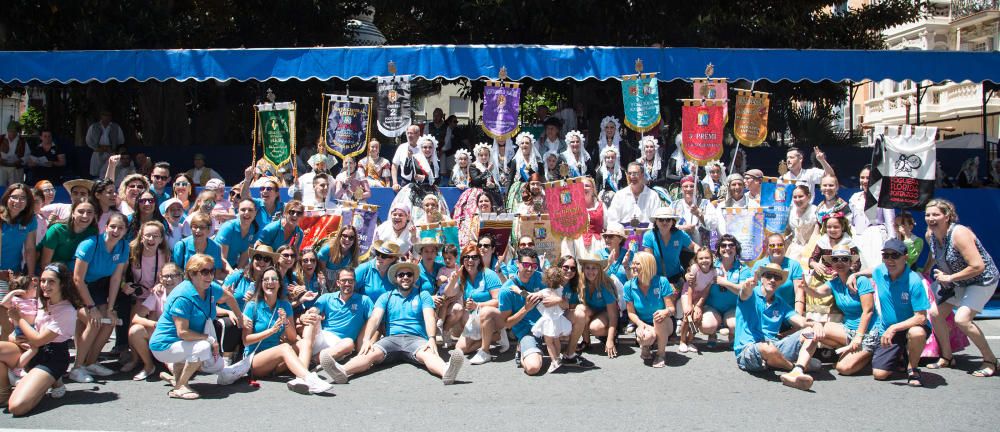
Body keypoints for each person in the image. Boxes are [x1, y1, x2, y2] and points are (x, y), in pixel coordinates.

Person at [320, 261, 465, 385]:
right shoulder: (386, 296)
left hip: (416, 339)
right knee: (369, 353)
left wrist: (432, 339)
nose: (405, 277)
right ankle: (342, 371)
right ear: (396, 279)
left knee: (428, 354)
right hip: (391, 339)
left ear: (414, 278)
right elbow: (375, 318)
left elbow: (429, 317)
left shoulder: (423, 295)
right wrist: (366, 340)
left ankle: (446, 372)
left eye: (409, 274)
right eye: (401, 275)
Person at [148, 254, 244, 400]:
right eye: (204, 272)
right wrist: (210, 339)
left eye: (212, 271)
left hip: (183, 343)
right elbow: (183, 333)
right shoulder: (183, 296)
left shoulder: (211, 288)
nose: (210, 275)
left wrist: (239, 317)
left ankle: (176, 379)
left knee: (217, 365)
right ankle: (180, 386)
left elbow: (229, 297)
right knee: (203, 347)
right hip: (163, 346)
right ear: (192, 274)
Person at [922, 199, 998, 377]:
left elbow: (978, 266)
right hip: (958, 281)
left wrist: (949, 277)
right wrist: (926, 270)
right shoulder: (930, 235)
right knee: (934, 313)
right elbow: (935, 254)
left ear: (947, 216)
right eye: (928, 215)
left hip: (981, 280)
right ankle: (947, 357)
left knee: (962, 319)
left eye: (936, 214)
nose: (931, 218)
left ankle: (990, 360)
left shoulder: (959, 233)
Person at [0, 263, 81, 415]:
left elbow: (38, 340)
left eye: (51, 281)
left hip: (52, 358)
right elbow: (30, 332)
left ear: (62, 284)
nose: (45, 285)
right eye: (43, 281)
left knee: (17, 408)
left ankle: (48, 381)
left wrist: (19, 318)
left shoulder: (67, 310)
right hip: (31, 349)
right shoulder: (42, 300)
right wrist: (14, 337)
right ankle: (4, 394)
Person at [730, 262, 822, 391]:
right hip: (748, 350)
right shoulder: (751, 294)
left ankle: (795, 370)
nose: (772, 280)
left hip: (774, 345)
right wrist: (748, 285)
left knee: (810, 333)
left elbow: (800, 321)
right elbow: (745, 292)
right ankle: (793, 366)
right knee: (768, 349)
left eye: (777, 277)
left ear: (780, 282)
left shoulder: (780, 303)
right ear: (762, 278)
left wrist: (815, 324)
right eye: (769, 276)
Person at [241, 266, 333, 394]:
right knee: (284, 348)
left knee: (304, 342)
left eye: (274, 279)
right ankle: (309, 378)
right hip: (255, 361)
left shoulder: (285, 305)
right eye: (266, 279)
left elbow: (292, 337)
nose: (270, 282)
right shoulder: (252, 306)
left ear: (279, 284)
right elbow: (246, 341)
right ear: (261, 284)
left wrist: (286, 322)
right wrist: (272, 331)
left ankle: (300, 379)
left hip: (276, 361)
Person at [69, 212, 129, 383]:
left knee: (109, 321)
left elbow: (116, 278)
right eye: (113, 226)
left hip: (98, 287)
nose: (116, 230)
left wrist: (110, 308)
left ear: (126, 230)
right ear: (106, 227)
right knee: (94, 321)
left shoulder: (124, 247)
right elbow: (77, 279)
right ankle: (77, 367)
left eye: (121, 228)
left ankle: (91, 362)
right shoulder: (89, 245)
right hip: (77, 287)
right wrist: (91, 307)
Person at [805, 246, 878, 375]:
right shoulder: (834, 282)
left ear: (850, 263)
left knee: (843, 368)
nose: (840, 262)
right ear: (831, 263)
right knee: (815, 331)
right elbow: (817, 293)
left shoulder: (861, 281)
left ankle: (869, 353)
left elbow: (868, 311)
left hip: (867, 332)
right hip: (848, 330)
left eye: (844, 259)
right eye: (835, 259)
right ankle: (802, 363)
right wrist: (805, 287)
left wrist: (858, 337)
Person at [869, 239, 930, 387]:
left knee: (917, 333)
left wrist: (894, 328)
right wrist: (854, 274)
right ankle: (901, 355)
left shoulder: (914, 281)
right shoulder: (879, 271)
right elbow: (870, 271)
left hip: (909, 327)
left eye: (895, 256)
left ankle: (913, 369)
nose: (890, 260)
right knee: (879, 374)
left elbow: (921, 317)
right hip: (889, 331)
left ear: (905, 257)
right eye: (886, 256)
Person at [445, 244, 505, 364]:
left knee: (484, 312)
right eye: (466, 257)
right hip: (475, 318)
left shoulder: (488, 274)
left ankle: (485, 351)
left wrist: (478, 305)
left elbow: (499, 301)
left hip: (493, 317)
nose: (470, 260)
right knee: (460, 349)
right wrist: (453, 280)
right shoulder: (462, 276)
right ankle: (495, 337)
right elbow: (448, 293)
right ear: (462, 261)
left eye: (474, 257)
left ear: (479, 260)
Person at [124, 262, 182, 381]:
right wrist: (155, 324)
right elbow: (136, 317)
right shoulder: (158, 294)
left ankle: (176, 374)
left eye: (173, 275)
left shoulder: (187, 293)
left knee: (178, 369)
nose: (169, 279)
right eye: (165, 276)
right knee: (135, 331)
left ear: (181, 277)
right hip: (162, 334)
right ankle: (149, 366)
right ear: (160, 278)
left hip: (182, 336)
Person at [497, 247, 550, 375]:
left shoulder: (541, 278)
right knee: (533, 368)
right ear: (517, 264)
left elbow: (559, 297)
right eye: (526, 265)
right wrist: (525, 309)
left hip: (548, 329)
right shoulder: (506, 290)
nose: (530, 269)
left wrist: (553, 300)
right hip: (528, 332)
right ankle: (523, 350)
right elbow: (506, 324)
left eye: (534, 266)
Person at [696, 234, 750, 348]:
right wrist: (688, 275)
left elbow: (743, 290)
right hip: (712, 307)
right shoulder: (711, 265)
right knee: (707, 326)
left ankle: (732, 335)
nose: (727, 248)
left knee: (734, 325)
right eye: (723, 245)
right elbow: (695, 271)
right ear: (719, 249)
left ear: (736, 248)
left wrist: (725, 282)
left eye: (731, 245)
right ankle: (712, 334)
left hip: (733, 308)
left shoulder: (743, 268)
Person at [623, 251, 675, 368]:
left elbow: (671, 308)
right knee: (646, 337)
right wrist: (640, 324)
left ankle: (661, 354)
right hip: (644, 323)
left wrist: (665, 312)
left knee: (658, 317)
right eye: (633, 263)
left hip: (664, 322)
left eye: (637, 264)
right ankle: (646, 345)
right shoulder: (628, 286)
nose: (633, 266)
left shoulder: (662, 282)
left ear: (647, 265)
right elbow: (631, 313)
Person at [849, 165, 896, 268]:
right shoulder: (855, 197)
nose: (865, 181)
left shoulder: (884, 198)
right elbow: (850, 221)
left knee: (875, 270)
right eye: (862, 177)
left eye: (868, 178)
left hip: (876, 240)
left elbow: (891, 223)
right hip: (857, 239)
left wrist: (890, 246)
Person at [576, 253, 621, 358]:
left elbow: (613, 315)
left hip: (606, 313)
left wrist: (610, 341)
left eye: (594, 268)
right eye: (587, 268)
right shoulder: (581, 282)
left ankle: (613, 335)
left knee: (595, 328)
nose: (590, 271)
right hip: (593, 312)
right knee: (580, 309)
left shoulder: (605, 285)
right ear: (583, 269)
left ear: (599, 270)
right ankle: (586, 342)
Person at [750, 233, 806, 314]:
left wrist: (798, 315)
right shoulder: (759, 265)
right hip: (762, 312)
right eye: (772, 245)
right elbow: (752, 290)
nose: (776, 248)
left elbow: (799, 292)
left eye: (780, 245)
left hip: (786, 313)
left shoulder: (794, 265)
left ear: (784, 246)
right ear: (767, 248)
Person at [678, 247, 717, 354]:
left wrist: (699, 305)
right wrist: (690, 305)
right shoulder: (695, 268)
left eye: (707, 258)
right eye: (701, 258)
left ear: (712, 259)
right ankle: (682, 341)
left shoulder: (713, 272)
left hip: (700, 295)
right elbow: (690, 288)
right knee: (687, 316)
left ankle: (690, 340)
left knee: (696, 317)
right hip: (688, 293)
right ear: (697, 260)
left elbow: (706, 291)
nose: (704, 260)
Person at [642, 207, 695, 283]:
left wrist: (703, 258)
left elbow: (694, 247)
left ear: (672, 222)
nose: (664, 222)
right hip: (656, 279)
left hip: (676, 277)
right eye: (661, 219)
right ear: (656, 222)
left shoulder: (680, 234)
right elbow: (648, 261)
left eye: (668, 219)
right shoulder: (649, 236)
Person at [671, 175, 720, 247]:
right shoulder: (674, 205)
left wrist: (699, 214)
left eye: (692, 186)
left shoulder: (706, 204)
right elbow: (666, 225)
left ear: (696, 189)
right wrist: (682, 228)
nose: (689, 189)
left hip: (702, 250)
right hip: (680, 250)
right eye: (685, 186)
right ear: (681, 189)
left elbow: (713, 225)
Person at [172, 213, 226, 278]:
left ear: (209, 230)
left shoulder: (215, 247)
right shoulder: (181, 245)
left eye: (202, 227)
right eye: (195, 227)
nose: (198, 230)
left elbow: (216, 274)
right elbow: (175, 271)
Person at [214, 198, 260, 270]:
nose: (246, 212)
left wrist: (238, 272)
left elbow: (245, 255)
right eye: (243, 210)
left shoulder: (254, 229)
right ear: (238, 211)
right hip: (215, 267)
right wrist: (234, 275)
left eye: (250, 210)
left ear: (255, 213)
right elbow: (222, 258)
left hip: (231, 267)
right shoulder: (228, 227)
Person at [85, 111, 125, 177]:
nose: (106, 117)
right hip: (98, 152)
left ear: (111, 117)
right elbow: (88, 140)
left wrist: (113, 147)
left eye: (108, 115)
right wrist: (96, 148)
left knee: (110, 170)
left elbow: (121, 140)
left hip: (111, 152)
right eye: (104, 115)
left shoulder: (116, 127)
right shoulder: (94, 126)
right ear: (101, 116)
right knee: (96, 172)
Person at [785, 185, 818, 262]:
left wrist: (810, 249)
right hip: (793, 248)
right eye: (795, 197)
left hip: (811, 248)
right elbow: (788, 230)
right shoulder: (791, 211)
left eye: (800, 196)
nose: (797, 199)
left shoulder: (815, 211)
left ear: (808, 196)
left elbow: (817, 234)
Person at [391, 125, 422, 192]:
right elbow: (394, 165)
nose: (409, 135)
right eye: (408, 133)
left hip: (421, 183)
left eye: (411, 133)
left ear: (418, 134)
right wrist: (395, 183)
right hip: (405, 183)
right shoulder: (402, 147)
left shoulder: (424, 148)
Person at [0, 123, 26, 187]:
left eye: (14, 132)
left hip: (16, 168)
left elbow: (27, 155)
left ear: (17, 132)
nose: (12, 133)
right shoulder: (1, 139)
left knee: (15, 188)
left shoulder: (22, 141)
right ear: (7, 131)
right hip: (2, 168)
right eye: (10, 131)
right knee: (1, 187)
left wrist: (20, 160)